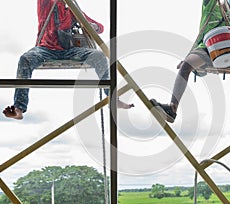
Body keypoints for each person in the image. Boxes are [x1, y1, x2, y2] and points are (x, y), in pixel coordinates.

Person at [3, 0, 133, 120]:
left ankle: (112, 98)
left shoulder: (72, 10)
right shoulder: (45, 3)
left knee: (99, 56)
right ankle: (19, 108)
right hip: (45, 49)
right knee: (25, 59)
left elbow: (100, 27)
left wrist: (93, 26)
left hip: (69, 50)